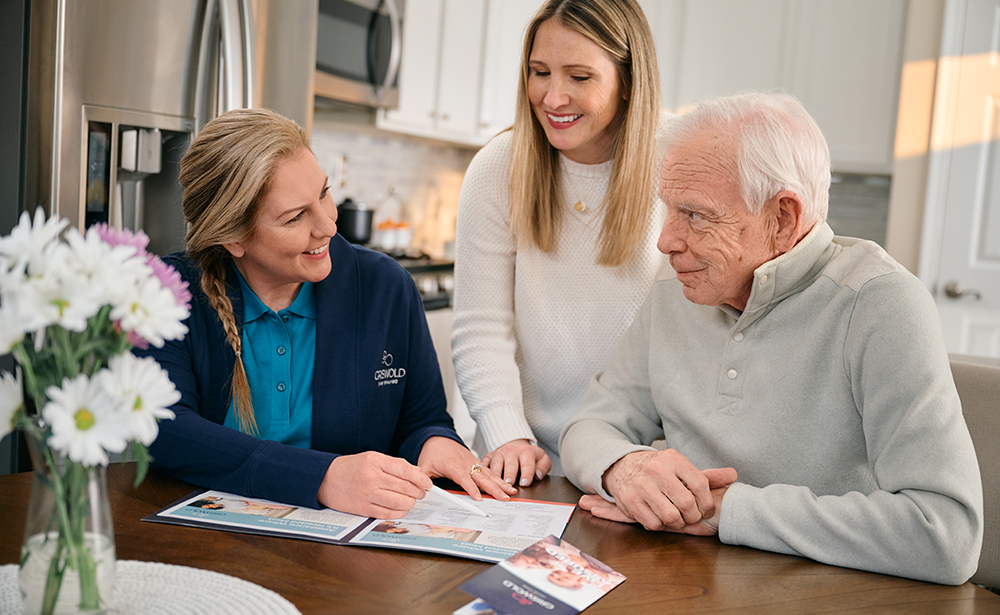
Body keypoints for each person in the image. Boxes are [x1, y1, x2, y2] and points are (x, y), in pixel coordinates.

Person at [559, 90, 984, 585]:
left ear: (782, 218)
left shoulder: (881, 303)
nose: (665, 240)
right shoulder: (677, 290)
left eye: (694, 215)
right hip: (682, 582)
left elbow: (947, 536)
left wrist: (728, 510)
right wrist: (626, 466)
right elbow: (589, 425)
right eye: (668, 210)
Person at [139, 108, 515, 517]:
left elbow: (421, 420)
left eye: (323, 193)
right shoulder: (166, 294)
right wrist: (322, 477)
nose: (329, 226)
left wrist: (434, 442)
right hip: (200, 545)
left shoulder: (385, 287)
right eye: (295, 217)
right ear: (233, 238)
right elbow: (165, 430)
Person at [451, 0, 671, 486]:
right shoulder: (497, 169)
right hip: (524, 460)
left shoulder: (675, 164)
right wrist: (507, 435)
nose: (552, 97)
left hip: (637, 461)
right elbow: (481, 328)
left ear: (629, 81)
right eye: (540, 72)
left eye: (579, 77)